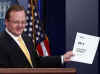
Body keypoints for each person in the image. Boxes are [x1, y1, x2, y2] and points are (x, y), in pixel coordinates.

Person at [0, 5, 73, 68]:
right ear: (6, 22)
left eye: (23, 22)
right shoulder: (1, 41)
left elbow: (36, 62)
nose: (20, 25)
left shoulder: (27, 39)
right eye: (16, 22)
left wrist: (62, 58)